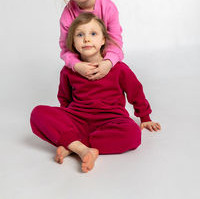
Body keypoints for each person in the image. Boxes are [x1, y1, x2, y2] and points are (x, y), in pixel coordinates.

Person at [30, 13, 161, 173]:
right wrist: (66, 120)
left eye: (93, 33)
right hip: (77, 118)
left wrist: (145, 117)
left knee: (133, 134)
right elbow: (64, 98)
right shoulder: (68, 71)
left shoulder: (118, 68)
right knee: (38, 113)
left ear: (103, 40)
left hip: (111, 119)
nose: (86, 39)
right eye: (80, 34)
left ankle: (73, 145)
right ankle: (82, 149)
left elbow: (136, 92)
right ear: (73, 42)